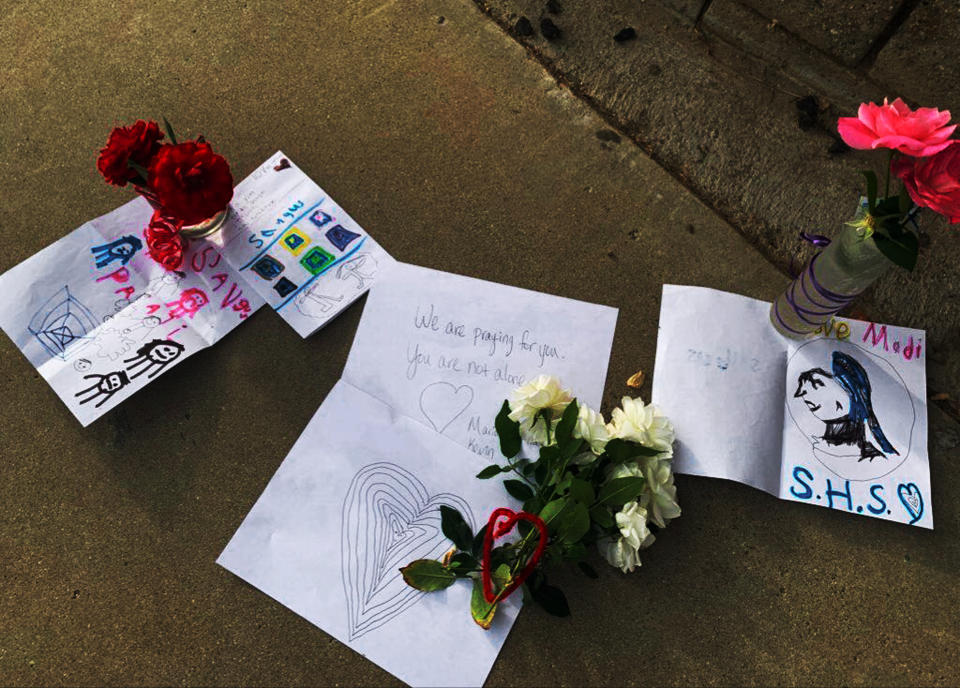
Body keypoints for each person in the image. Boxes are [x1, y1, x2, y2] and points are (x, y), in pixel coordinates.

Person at [794, 351, 898, 462]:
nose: (805, 396)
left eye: (817, 385)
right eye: (804, 392)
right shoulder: (814, 447)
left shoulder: (872, 457)